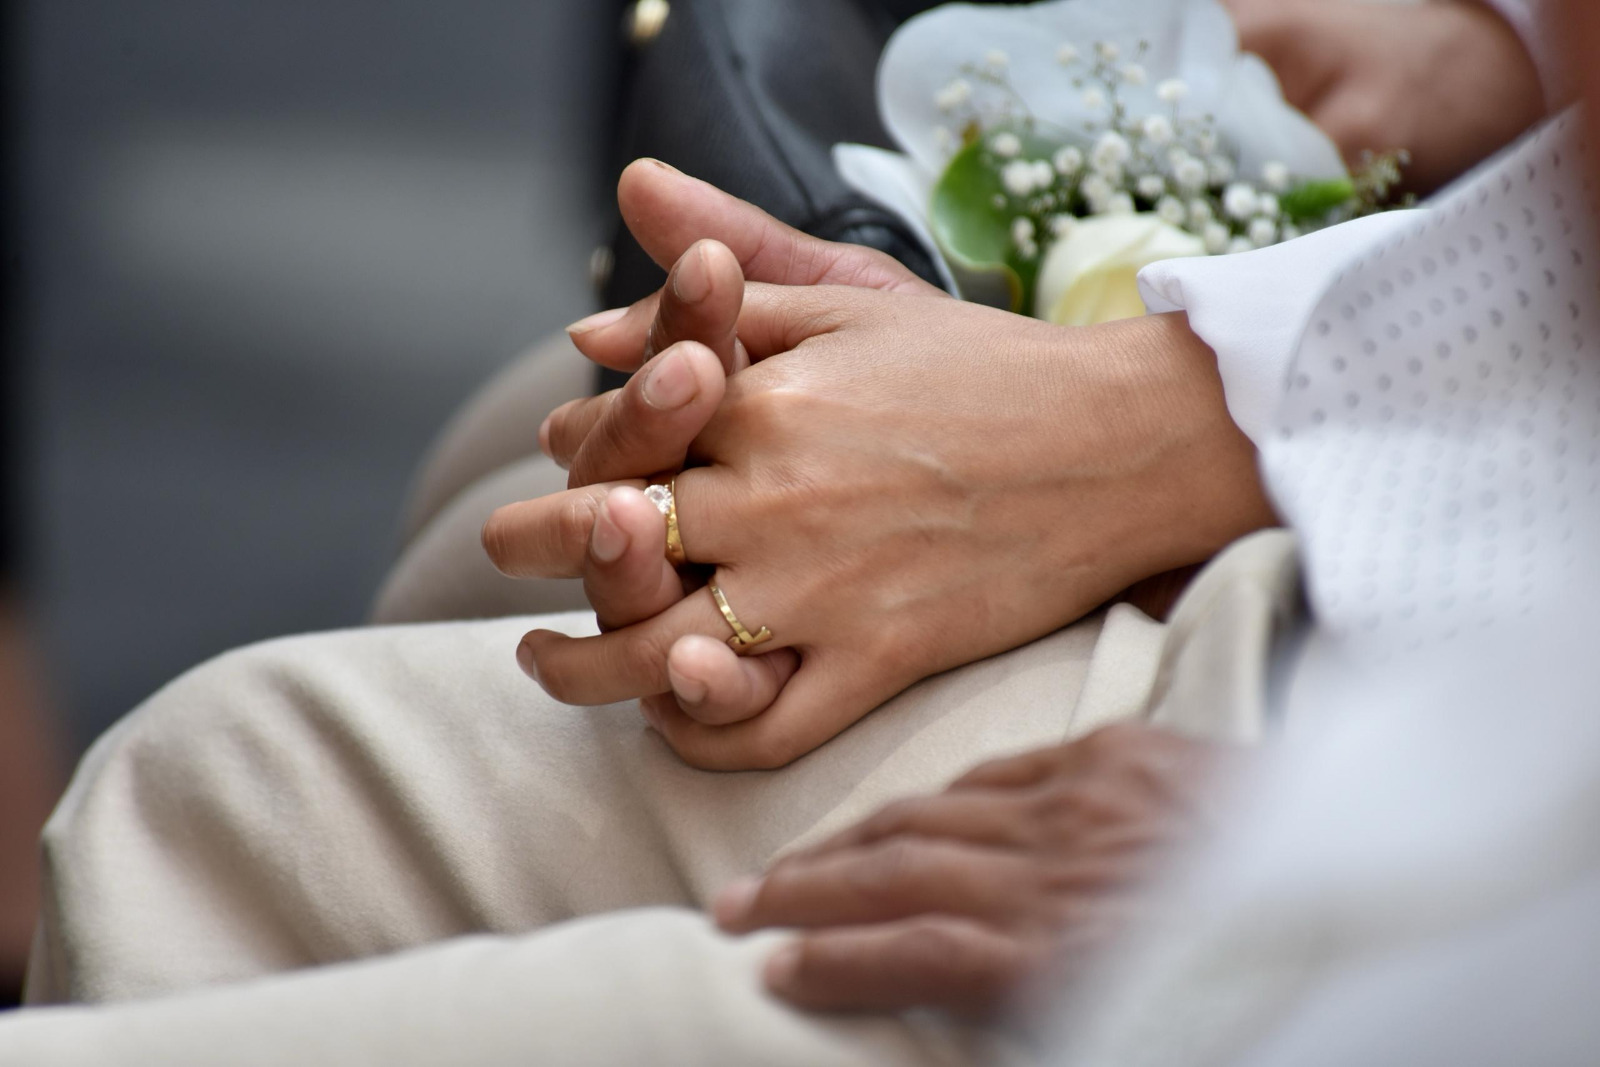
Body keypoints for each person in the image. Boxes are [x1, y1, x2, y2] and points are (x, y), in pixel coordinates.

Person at [1, 0, 1591, 1062]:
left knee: (214, 807)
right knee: (510, 492)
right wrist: (1508, 52)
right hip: (1494, 510)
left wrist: (1187, 438)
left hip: (1480, 711)